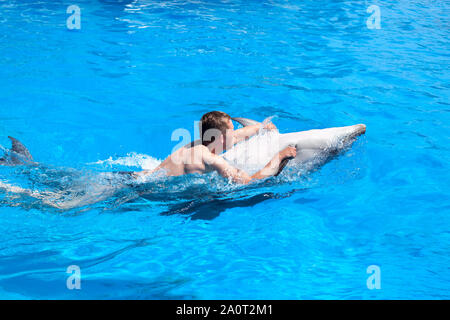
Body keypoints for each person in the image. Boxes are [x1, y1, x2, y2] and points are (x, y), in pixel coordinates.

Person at [135, 111, 296, 184]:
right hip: (150, 191)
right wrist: (279, 156)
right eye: (231, 131)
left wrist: (261, 127)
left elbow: (238, 135)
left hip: (139, 177)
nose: (235, 134)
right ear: (221, 137)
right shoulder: (212, 160)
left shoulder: (197, 144)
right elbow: (250, 182)